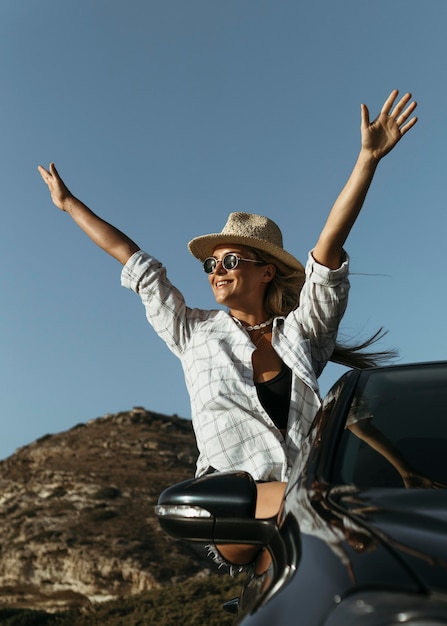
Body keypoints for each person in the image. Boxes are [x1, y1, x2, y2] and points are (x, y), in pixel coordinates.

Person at [38, 89, 417, 565]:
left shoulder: (302, 335)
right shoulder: (193, 333)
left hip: (305, 505)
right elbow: (133, 260)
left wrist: (367, 161)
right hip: (232, 506)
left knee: (326, 539)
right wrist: (69, 203)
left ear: (266, 272)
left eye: (231, 260)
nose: (217, 270)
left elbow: (328, 249)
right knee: (333, 510)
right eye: (211, 265)